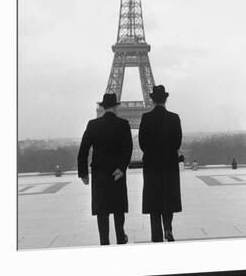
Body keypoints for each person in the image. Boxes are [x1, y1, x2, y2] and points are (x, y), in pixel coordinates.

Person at [77, 93, 133, 246]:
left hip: (99, 173)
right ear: (116, 107)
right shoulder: (123, 124)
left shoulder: (92, 125)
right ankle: (121, 237)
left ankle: (104, 241)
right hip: (117, 173)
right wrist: (121, 168)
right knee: (118, 208)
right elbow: (128, 149)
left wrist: (83, 173)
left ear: (102, 107)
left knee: (102, 210)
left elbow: (83, 150)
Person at [139, 85, 182, 242]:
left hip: (151, 165)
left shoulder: (146, 118)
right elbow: (177, 142)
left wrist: (152, 154)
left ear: (152, 100)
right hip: (169, 164)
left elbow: (142, 143)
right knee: (168, 198)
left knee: (154, 200)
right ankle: (168, 228)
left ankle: (156, 234)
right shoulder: (174, 118)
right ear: (165, 99)